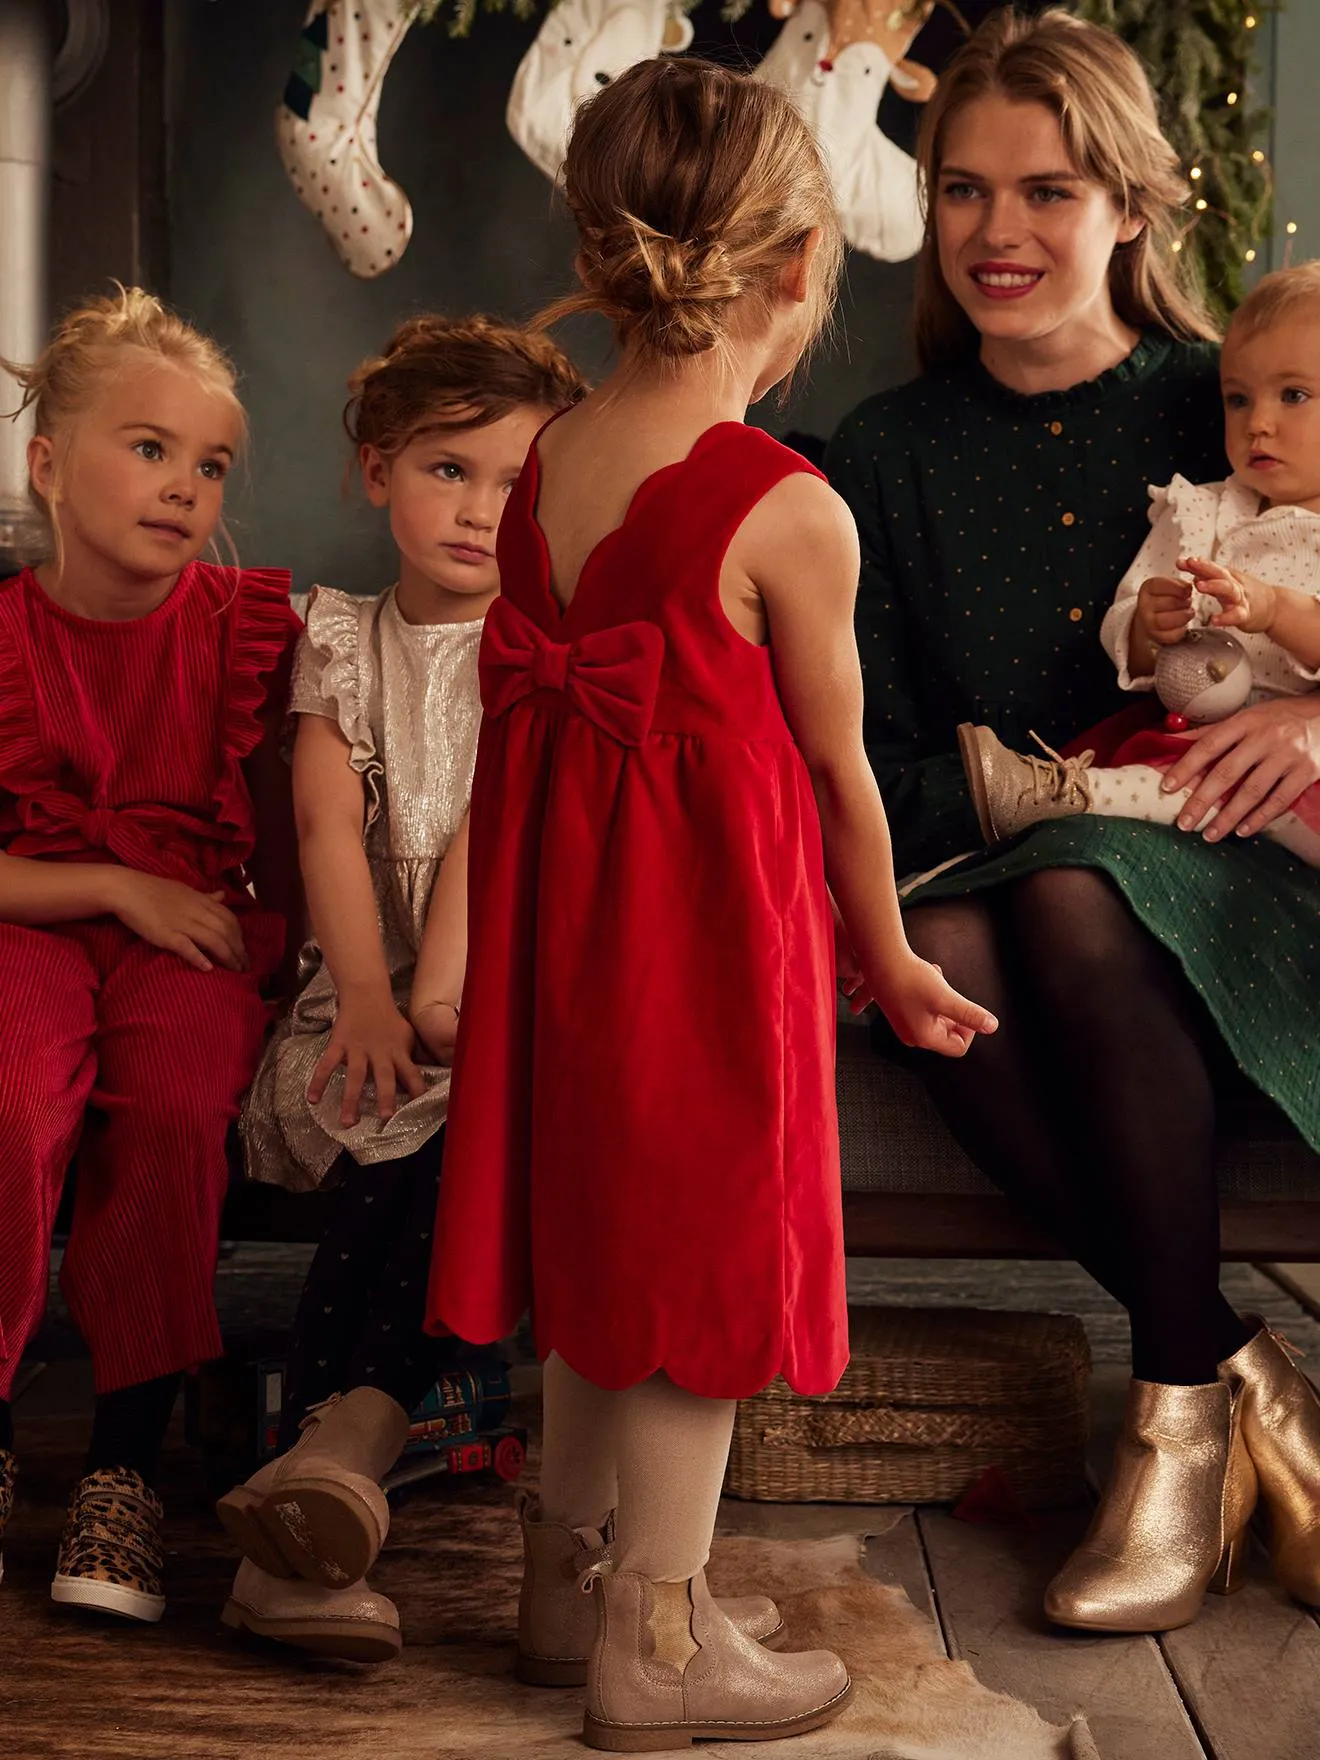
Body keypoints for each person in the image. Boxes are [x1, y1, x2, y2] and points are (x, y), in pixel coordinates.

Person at [427, 56, 995, 1752]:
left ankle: (571, 1583)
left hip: (567, 946)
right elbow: (841, 775)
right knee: (694, 1290)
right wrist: (890, 956)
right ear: (799, 271)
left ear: (601, 253)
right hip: (699, 950)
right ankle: (659, 1650)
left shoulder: (545, 465)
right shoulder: (783, 504)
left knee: (605, 1251)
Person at [827, 4, 1320, 1636]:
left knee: (1057, 903)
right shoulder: (882, 458)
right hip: (1026, 865)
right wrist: (1038, 797)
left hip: (1251, 862)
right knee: (956, 927)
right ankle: (1217, 1384)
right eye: (965, 190)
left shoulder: (1231, 397)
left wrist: (1316, 706)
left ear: (1129, 202)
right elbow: (884, 759)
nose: (998, 232)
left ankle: (1181, 1424)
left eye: (1045, 191)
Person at [219, 314, 586, 1663]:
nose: (483, 511)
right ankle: (344, 1456)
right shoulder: (341, 639)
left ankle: (329, 1462)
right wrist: (367, 998)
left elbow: (521, 849)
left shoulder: (544, 645)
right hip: (364, 990)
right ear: (377, 470)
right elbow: (324, 829)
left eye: (515, 482)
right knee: (401, 1128)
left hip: (503, 1001)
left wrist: (454, 1005)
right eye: (449, 470)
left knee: (465, 1130)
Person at [0, 287, 301, 1623]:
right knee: (11, 1105)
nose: (186, 487)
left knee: (177, 1110)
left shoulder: (250, 630)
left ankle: (124, 1463)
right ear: (47, 465)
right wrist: (109, 882)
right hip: (28, 914)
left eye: (211, 464)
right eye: (149, 449)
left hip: (197, 928)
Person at [960, 259, 1320, 870]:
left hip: (1295, 769)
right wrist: (1149, 627)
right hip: (1188, 734)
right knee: (1171, 768)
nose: (1258, 423)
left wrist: (1273, 608)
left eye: (1294, 395)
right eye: (1238, 398)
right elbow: (1125, 619)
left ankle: (1070, 795)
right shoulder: (1198, 509)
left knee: (1199, 778)